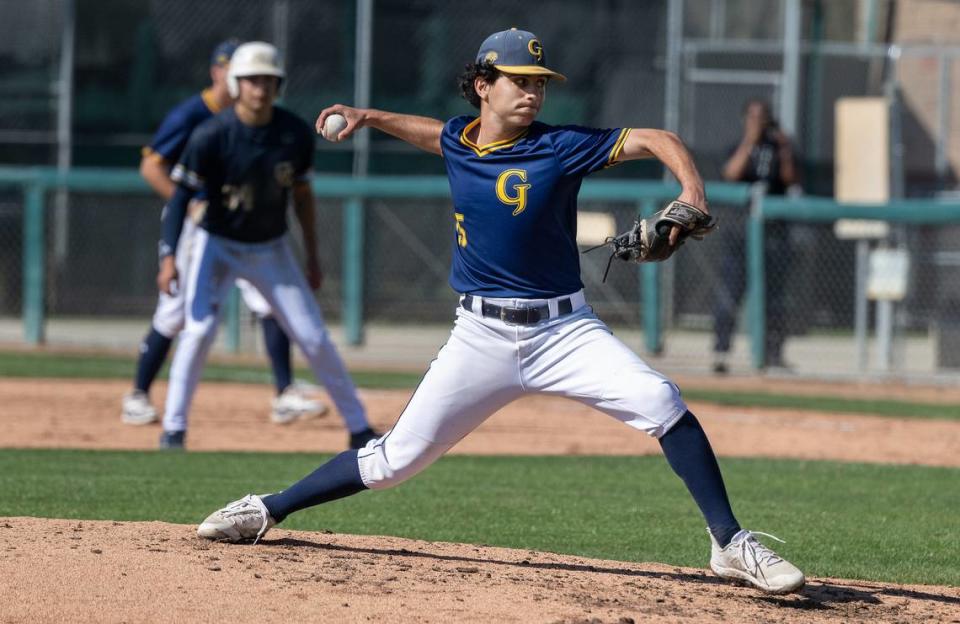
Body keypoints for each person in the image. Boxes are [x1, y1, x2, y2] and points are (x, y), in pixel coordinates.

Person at [195, 30, 805, 595]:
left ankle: (729, 542)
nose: (534, 92)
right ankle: (267, 507)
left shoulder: (560, 147)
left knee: (664, 404)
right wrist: (369, 116)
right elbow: (433, 132)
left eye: (539, 82)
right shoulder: (461, 139)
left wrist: (690, 193)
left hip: (565, 331)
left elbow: (658, 140)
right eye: (521, 80)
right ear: (484, 86)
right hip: (481, 336)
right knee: (392, 461)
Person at [154, 41, 379, 451]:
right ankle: (174, 429)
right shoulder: (211, 135)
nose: (261, 88)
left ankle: (360, 427)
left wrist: (311, 255)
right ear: (237, 84)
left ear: (279, 86)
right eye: (253, 80)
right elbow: (180, 199)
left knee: (312, 336)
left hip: (271, 247)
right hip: (217, 243)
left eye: (269, 80)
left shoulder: (292, 133)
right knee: (199, 329)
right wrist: (169, 257)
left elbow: (303, 198)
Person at [122, 39, 327, 427]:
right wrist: (192, 206)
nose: (252, 83)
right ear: (220, 73)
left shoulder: (261, 118)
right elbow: (152, 167)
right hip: (197, 223)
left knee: (270, 306)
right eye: (231, 69)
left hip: (247, 224)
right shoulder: (193, 115)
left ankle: (284, 393)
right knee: (176, 310)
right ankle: (138, 393)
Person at [712, 98, 798, 374]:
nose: (758, 123)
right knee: (730, 294)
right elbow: (730, 174)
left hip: (773, 236)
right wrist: (750, 141)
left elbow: (792, 180)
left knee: (774, 298)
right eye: (752, 117)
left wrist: (784, 148)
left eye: (762, 118)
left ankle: (772, 353)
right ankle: (721, 352)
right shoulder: (736, 147)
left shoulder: (779, 148)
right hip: (739, 236)